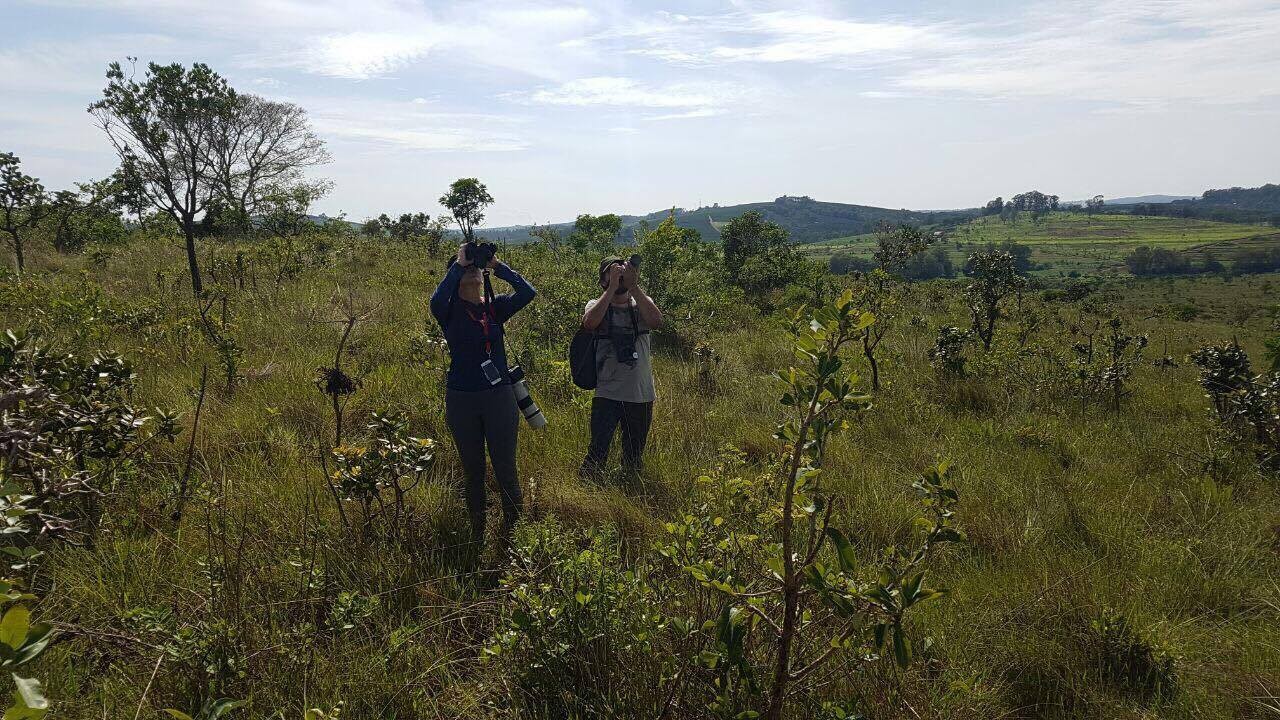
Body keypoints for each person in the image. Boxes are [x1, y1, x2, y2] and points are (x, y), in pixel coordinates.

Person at [430, 245, 536, 546]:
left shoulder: (495, 306)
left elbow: (528, 292)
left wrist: (497, 266)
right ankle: (476, 535)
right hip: (462, 400)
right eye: (467, 268)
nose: (473, 270)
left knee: (506, 468)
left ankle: (514, 535)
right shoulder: (448, 310)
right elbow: (436, 299)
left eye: (476, 267)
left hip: (498, 396)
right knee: (472, 469)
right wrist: (458, 264)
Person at [579, 255, 663, 478]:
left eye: (623, 270)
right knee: (597, 452)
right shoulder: (595, 305)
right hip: (607, 393)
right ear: (602, 280)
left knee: (634, 456)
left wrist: (633, 287)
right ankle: (589, 493)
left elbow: (656, 321)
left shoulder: (643, 303)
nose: (619, 274)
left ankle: (629, 492)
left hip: (641, 394)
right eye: (612, 271)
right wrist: (612, 289)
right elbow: (589, 323)